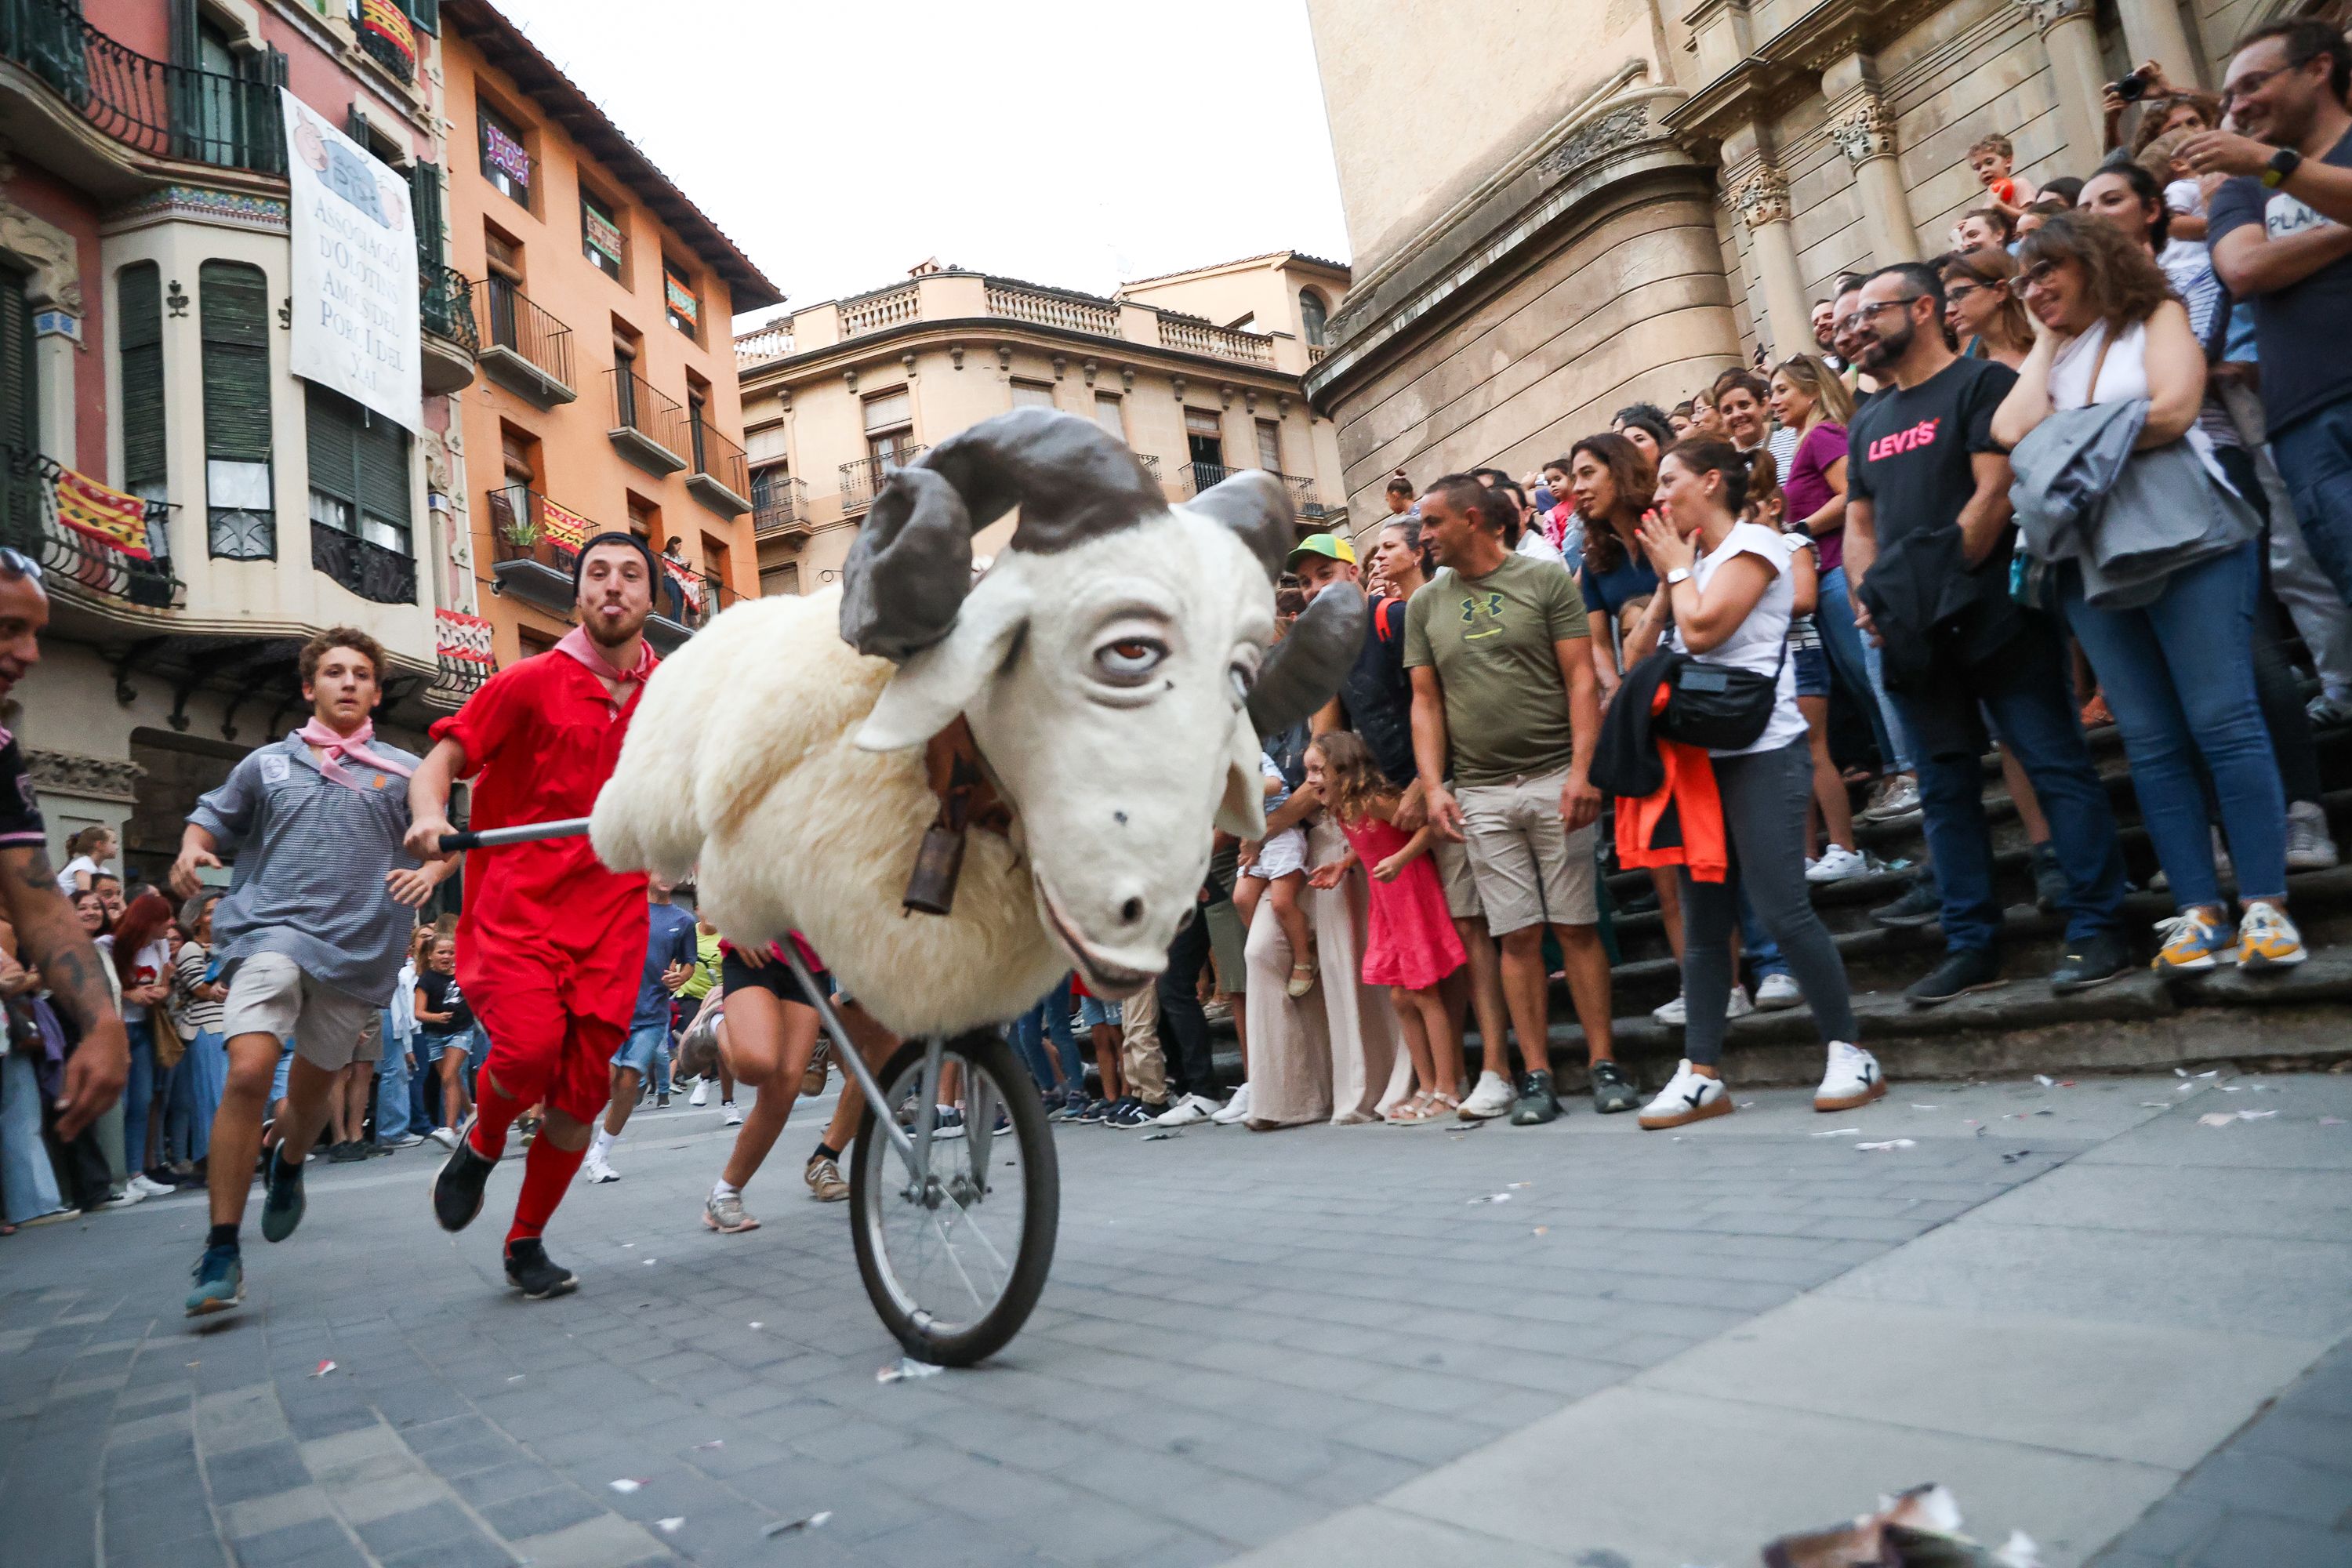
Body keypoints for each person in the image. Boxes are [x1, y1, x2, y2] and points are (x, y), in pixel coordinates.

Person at [1994, 212, 2304, 970]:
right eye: (2025, 281)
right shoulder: (2054, 352)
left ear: (2091, 261)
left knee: (2222, 721)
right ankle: (2198, 910)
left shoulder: (2155, 314)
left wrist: (2066, 442)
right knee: (2152, 742)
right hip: (2092, 557)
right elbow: (2010, 430)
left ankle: (2265, 904)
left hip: (2190, 532)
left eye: (2048, 271)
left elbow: (2173, 409)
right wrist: (2043, 342)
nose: (2035, 289)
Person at [1842, 263, 2134, 1003]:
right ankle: (1973, 941)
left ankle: (2099, 924)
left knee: (2054, 763)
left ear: (1925, 309)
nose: (1859, 328)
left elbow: (1993, 497)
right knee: (1944, 791)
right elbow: (1860, 522)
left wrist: (1922, 593)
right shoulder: (1869, 419)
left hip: (1995, 617)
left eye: (1873, 312)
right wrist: (1871, 601)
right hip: (1914, 632)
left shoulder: (1982, 387)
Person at [407, 532, 664, 1301]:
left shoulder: (675, 696)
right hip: (517, 911)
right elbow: (442, 761)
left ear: (652, 598)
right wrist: (428, 815)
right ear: (576, 594)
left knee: (582, 1096)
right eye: (597, 575)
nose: (613, 587)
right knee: (524, 1053)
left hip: (615, 916)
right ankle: (482, 1142)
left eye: (630, 575)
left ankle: (526, 1242)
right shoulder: (527, 682)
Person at [169, 629, 452, 1316]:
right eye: (333, 672)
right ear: (309, 687)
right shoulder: (265, 765)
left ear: (377, 692)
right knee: (246, 1071)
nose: (348, 682)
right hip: (270, 932)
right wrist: (189, 850)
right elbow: (210, 821)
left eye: (361, 674)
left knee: (313, 1094)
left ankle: (290, 1160)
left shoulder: (403, 768)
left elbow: (438, 832)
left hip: (358, 952)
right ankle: (222, 1248)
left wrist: (434, 867)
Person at [1620, 440, 1878, 1127]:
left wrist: (1678, 573)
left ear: (1711, 481)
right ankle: (1701, 1072)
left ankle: (1850, 1051)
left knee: (1782, 907)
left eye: (1670, 479)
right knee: (1706, 923)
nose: (1661, 495)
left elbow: (1703, 632)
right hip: (1699, 759)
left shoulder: (1759, 544)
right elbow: (1638, 655)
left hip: (1765, 750)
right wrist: (1665, 580)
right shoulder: (1691, 564)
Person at [1406, 474, 1626, 1123]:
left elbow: (1581, 678)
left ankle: (1604, 1061)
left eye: (1433, 523)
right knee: (1516, 934)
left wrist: (1584, 772)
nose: (1423, 536)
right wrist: (1434, 784)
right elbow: (1425, 701)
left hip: (1557, 776)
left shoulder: (1545, 580)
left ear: (1473, 520)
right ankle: (1535, 1074)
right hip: (1478, 791)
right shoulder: (1425, 605)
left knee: (1577, 926)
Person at [1296, 524, 1515, 1116]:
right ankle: (1449, 1079)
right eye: (1304, 583)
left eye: (1325, 575)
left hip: (1433, 798)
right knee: (1424, 971)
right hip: (1389, 815)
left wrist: (1427, 781)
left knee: (1467, 935)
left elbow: (1440, 695)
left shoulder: (1392, 618)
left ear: (1352, 573)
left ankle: (1489, 1069)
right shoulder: (1331, 651)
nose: (1315, 590)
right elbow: (1326, 744)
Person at [2190, 18, 2352, 604]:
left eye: (2254, 84)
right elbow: (2244, 269)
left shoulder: (2263, 171)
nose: (2238, 106)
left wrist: (2277, 166)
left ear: (2318, 69)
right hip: (2308, 423)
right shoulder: (2241, 186)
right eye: (2230, 95)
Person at [1305, 731, 1466, 1123]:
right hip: (1387, 904)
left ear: (1342, 769)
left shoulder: (1376, 800)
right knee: (1400, 999)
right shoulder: (1343, 811)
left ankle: (1448, 1087)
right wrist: (1344, 865)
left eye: (1316, 770)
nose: (1309, 780)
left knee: (1425, 994)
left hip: (1411, 896)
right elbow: (1367, 845)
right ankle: (1426, 1085)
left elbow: (1429, 827)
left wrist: (1400, 858)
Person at [699, 935, 898, 1233]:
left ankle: (725, 1193)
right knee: (756, 1066)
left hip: (808, 965)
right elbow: (717, 886)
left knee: (784, 1089)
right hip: (757, 947)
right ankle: (716, 1022)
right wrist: (737, 923)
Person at [1767, 355, 1870, 887]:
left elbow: (1852, 492)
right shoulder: (1803, 440)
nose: (1774, 399)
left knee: (1864, 673)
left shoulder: (1824, 434)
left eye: (1783, 389)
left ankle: (1902, 767)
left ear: (1812, 390)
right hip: (1823, 566)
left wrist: (1797, 528)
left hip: (1832, 571)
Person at [583, 877, 696, 1181]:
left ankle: (599, 1155)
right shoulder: (622, 908)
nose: (666, 875)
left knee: (630, 1080)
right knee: (607, 1080)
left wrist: (682, 977)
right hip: (611, 1012)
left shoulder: (683, 920)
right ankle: (572, 1143)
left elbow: (689, 963)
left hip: (651, 1014)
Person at [1235, 741, 1317, 1000]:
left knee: (1282, 902)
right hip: (1252, 838)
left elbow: (1274, 785)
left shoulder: (1251, 755)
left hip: (1282, 831)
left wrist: (1239, 786)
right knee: (1241, 898)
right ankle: (1276, 949)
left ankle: (1304, 956)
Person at [167, 894, 229, 1174]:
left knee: (226, 1096)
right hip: (206, 1029)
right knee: (212, 1097)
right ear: (195, 919)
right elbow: (201, 990)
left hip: (227, 1026)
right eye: (209, 912)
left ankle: (229, 1157)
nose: (216, 916)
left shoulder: (226, 945)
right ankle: (212, 1161)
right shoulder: (191, 949)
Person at [416, 934, 474, 1141]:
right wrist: (437, 1017)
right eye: (441, 952)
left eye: (451, 952)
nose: (446, 956)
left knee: (449, 1076)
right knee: (453, 1079)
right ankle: (471, 1112)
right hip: (434, 1036)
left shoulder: (464, 973)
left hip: (461, 1031)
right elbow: (419, 1013)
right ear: (430, 955)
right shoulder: (426, 980)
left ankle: (450, 1129)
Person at [1944, 248, 2036, 368]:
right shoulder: (1968, 369)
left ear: (2000, 291)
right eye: (1947, 300)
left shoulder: (2052, 341)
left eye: (1959, 294)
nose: (1949, 310)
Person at [1968, 131, 2040, 219]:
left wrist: (2000, 206)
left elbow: (2033, 217)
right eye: (1978, 168)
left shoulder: (2019, 184)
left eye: (1989, 162)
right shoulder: (1987, 204)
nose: (1984, 170)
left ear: (2008, 161)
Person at [55, 825, 114, 898]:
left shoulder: (104, 871)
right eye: (113, 842)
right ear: (99, 845)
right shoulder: (83, 866)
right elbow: (86, 898)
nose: (117, 847)